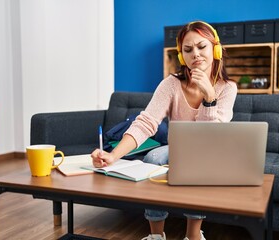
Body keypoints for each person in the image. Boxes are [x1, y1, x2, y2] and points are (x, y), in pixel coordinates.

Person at [91, 20, 238, 240]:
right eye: (187, 50)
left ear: (215, 49)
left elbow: (208, 138)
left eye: (201, 47)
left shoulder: (227, 88)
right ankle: (156, 236)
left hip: (207, 150)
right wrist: (113, 156)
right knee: (152, 156)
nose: (195, 54)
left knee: (199, 162)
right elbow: (146, 122)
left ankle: (193, 235)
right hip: (178, 148)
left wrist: (209, 98)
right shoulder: (170, 84)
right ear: (181, 57)